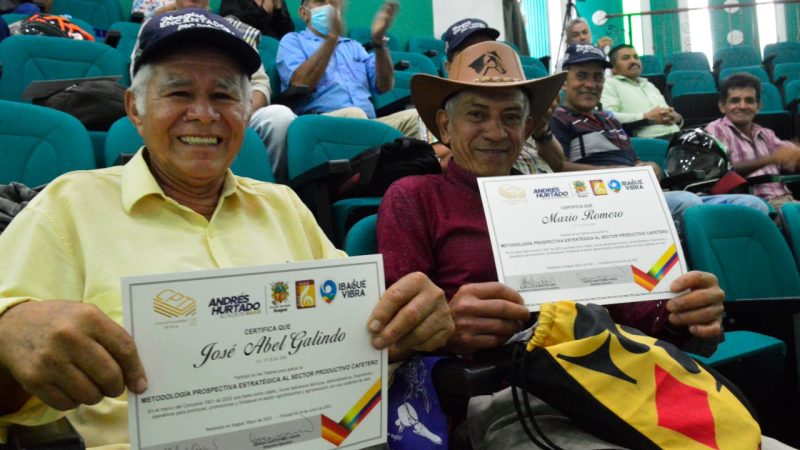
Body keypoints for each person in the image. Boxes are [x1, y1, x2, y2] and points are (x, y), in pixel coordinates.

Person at [0, 10, 453, 447]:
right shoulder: (68, 208)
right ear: (134, 109)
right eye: (178, 93)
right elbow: (15, 384)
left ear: (246, 109)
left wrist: (405, 332)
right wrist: (7, 342)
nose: (203, 114)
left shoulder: (284, 208)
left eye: (223, 96)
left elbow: (354, 345)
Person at [379, 40, 725, 358]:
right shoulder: (415, 197)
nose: (496, 133)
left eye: (511, 117)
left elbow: (626, 305)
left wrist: (681, 311)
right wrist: (446, 325)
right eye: (476, 114)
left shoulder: (558, 200)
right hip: (483, 392)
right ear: (445, 126)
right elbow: (398, 329)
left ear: (527, 128)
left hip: (592, 380)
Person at [551, 44, 769, 229]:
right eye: (581, 76)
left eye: (598, 77)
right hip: (604, 200)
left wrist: (647, 167)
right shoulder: (558, 118)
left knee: (752, 205)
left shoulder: (609, 119)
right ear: (562, 82)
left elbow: (632, 161)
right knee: (687, 202)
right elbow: (559, 167)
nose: (591, 84)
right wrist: (619, 174)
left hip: (641, 192)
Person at [145, 0, 297, 183]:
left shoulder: (230, 29)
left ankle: (269, 186)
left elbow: (259, 84)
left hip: (238, 110)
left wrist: (239, 115)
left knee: (279, 116)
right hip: (177, 113)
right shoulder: (157, 26)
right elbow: (143, 84)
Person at [276, 0, 420, 138]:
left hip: (369, 122)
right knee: (355, 114)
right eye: (320, 1)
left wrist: (379, 43)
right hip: (321, 124)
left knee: (417, 118)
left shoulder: (353, 46)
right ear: (304, 13)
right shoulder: (292, 41)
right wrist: (331, 40)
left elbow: (384, 85)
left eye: (333, 3)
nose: (328, 7)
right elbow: (300, 82)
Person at [440, 18, 563, 174]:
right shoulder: (443, 108)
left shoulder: (520, 103)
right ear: (448, 67)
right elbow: (439, 161)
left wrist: (540, 131)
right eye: (476, 114)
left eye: (487, 48)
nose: (481, 57)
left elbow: (559, 166)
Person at [705, 73, 800, 210]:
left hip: (787, 201)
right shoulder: (716, 130)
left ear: (758, 106)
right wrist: (770, 159)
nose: (742, 106)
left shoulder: (766, 134)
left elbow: (788, 153)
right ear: (722, 106)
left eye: (749, 101)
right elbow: (720, 174)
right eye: (735, 100)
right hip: (752, 206)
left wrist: (795, 154)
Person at [601, 44, 682, 140]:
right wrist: (646, 117)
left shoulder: (649, 85)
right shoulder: (609, 85)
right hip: (650, 140)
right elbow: (608, 117)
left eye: (636, 57)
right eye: (626, 58)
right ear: (613, 68)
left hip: (677, 135)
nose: (633, 61)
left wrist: (677, 118)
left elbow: (669, 115)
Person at [219, 0, 294, 39]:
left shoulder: (276, 2)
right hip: (247, 47)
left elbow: (288, 34)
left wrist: (278, 9)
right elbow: (230, 23)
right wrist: (263, 12)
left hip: (274, 51)